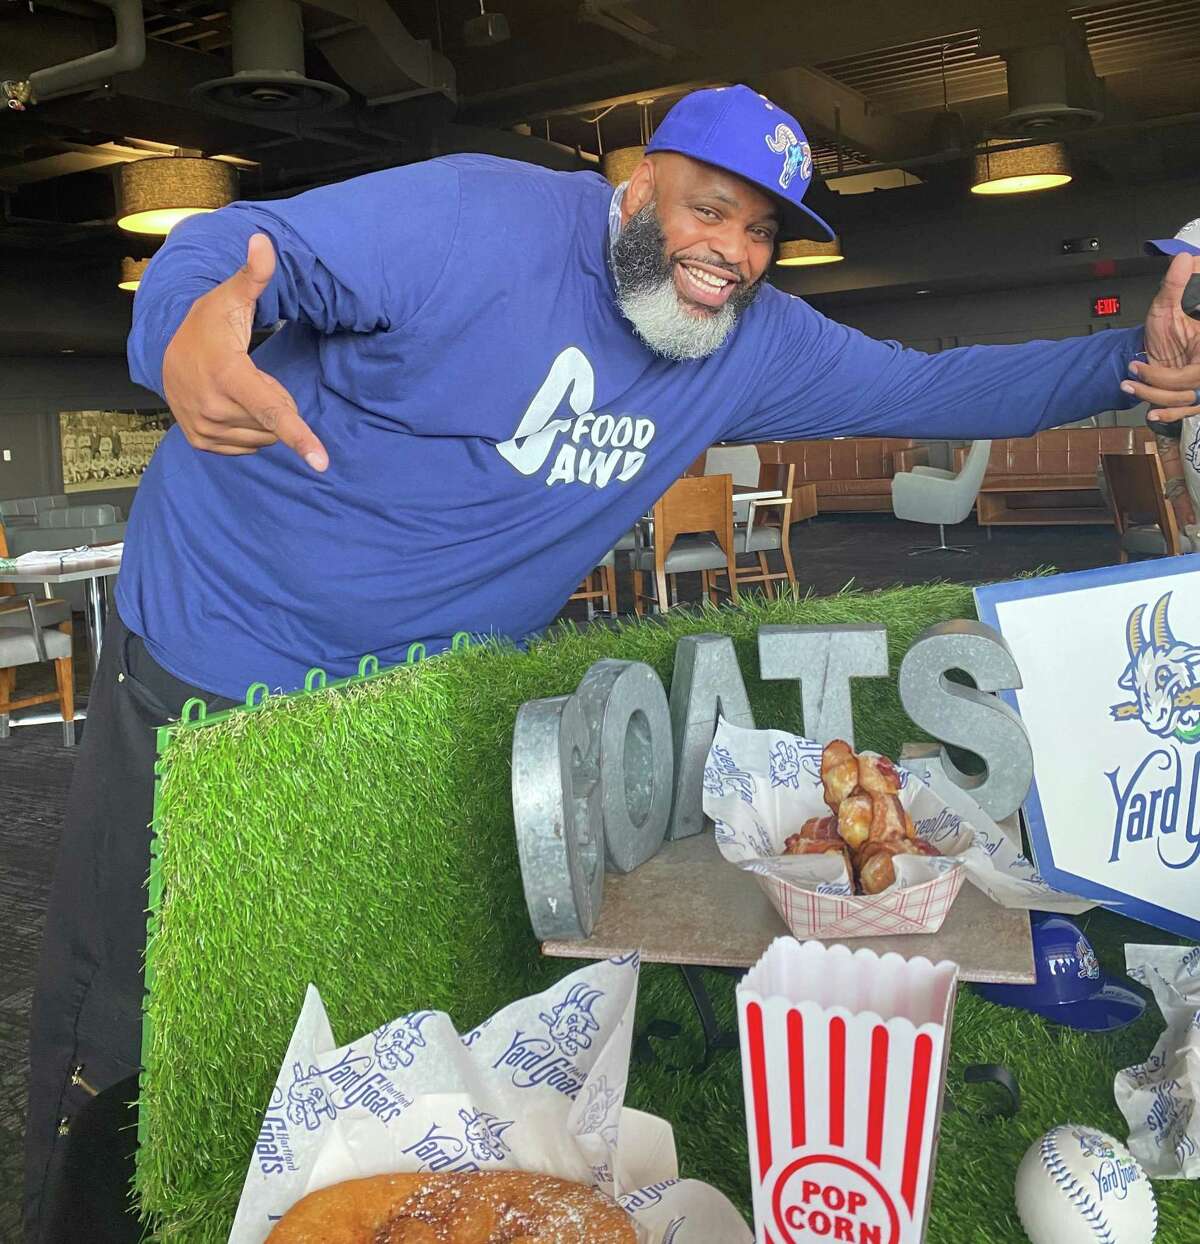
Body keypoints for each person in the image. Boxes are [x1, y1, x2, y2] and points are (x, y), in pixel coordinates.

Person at [23, 83, 1200, 1241]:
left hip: (402, 700)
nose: (730, 251)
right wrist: (184, 332)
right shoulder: (483, 223)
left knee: (342, 980)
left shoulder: (749, 343)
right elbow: (246, 244)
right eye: (706, 208)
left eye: (759, 229)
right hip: (218, 644)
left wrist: (1126, 362)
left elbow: (931, 383)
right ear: (636, 186)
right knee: (140, 1012)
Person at [1142, 219, 1200, 539]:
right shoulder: (1177, 351)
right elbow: (1167, 432)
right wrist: (1178, 496)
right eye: (1173, 264)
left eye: (1190, 261)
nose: (1176, 276)